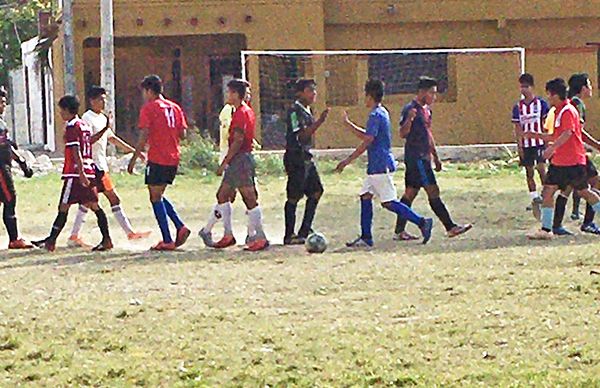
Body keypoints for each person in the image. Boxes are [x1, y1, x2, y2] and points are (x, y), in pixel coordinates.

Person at [335, 79, 433, 247]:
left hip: (380, 165)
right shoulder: (382, 112)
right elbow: (368, 136)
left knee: (389, 202)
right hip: (376, 165)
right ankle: (366, 237)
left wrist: (347, 161)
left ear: (370, 96)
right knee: (365, 196)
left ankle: (422, 222)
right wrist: (348, 125)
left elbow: (367, 141)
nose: (364, 99)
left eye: (365, 96)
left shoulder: (375, 115)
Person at [67, 86, 150, 247]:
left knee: (87, 201)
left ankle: (74, 235)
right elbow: (87, 141)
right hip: (94, 166)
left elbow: (113, 139)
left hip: (100, 165)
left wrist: (135, 152)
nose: (103, 102)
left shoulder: (102, 118)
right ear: (92, 101)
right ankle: (129, 232)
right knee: (111, 198)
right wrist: (105, 128)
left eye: (105, 99)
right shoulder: (87, 118)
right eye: (100, 99)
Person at [394, 76, 472, 241]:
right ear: (422, 92)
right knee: (432, 191)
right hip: (416, 158)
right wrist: (409, 119)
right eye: (432, 93)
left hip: (425, 157)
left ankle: (399, 231)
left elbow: (428, 134)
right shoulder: (410, 108)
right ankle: (450, 227)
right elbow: (402, 133)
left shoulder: (427, 110)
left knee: (410, 194)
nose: (434, 97)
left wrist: (435, 156)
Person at [33, 95, 113, 252]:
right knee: (94, 205)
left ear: (67, 110)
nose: (60, 114)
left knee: (63, 206)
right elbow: (89, 141)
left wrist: (80, 171)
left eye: (61, 110)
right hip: (89, 171)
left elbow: (76, 150)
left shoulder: (71, 126)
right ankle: (107, 239)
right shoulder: (84, 125)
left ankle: (51, 242)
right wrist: (105, 129)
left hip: (75, 173)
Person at [200, 79, 269, 251]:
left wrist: (225, 162)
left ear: (237, 94)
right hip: (241, 159)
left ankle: (260, 236)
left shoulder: (240, 113)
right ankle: (228, 234)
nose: (227, 95)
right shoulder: (245, 111)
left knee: (249, 198)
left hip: (240, 160)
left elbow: (238, 140)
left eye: (230, 92)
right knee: (223, 195)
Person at [527, 78, 600, 240]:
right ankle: (546, 229)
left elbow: (567, 133)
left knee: (584, 192)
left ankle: (550, 227)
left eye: (549, 95)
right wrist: (536, 136)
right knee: (548, 191)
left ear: (555, 95)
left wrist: (552, 147)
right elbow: (556, 135)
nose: (547, 99)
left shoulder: (567, 110)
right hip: (559, 162)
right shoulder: (560, 111)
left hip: (572, 161)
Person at [128, 75, 191, 251]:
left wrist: (134, 158)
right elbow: (183, 134)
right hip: (173, 157)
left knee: (154, 197)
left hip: (157, 157)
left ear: (149, 91)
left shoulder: (149, 108)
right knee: (159, 195)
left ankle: (167, 239)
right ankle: (180, 226)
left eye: (144, 92)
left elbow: (144, 135)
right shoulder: (175, 107)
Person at [552, 73, 600, 234]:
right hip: (575, 154)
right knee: (595, 182)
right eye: (589, 85)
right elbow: (577, 131)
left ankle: (557, 224)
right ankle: (588, 222)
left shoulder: (571, 103)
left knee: (567, 187)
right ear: (583, 88)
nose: (591, 88)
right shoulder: (577, 104)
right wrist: (596, 145)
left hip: (569, 154)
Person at [283, 79, 329, 245]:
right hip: (296, 158)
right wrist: (320, 122)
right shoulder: (294, 112)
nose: (313, 94)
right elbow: (301, 136)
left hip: (306, 157)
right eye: (310, 90)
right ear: (299, 93)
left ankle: (305, 229)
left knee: (317, 190)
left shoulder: (306, 110)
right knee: (294, 196)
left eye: (314, 90)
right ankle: (289, 235)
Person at [511, 73, 550, 220]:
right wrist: (519, 146)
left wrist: (547, 143)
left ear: (532, 87)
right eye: (521, 87)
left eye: (526, 86)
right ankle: (534, 198)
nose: (523, 90)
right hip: (526, 145)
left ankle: (545, 195)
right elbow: (517, 128)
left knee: (541, 169)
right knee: (529, 172)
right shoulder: (518, 107)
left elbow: (545, 125)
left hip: (539, 142)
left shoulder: (541, 104)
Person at [0, 87, 33, 249]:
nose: (3, 105)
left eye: (4, 102)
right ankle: (14, 239)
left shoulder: (1, 122)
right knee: (10, 199)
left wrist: (21, 161)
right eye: (1, 102)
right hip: (0, 168)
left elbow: (6, 145)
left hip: (5, 165)